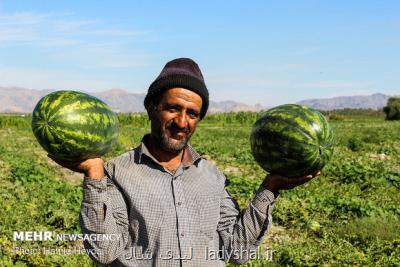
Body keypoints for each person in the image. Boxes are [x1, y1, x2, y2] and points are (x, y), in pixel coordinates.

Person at [56, 58, 319, 266]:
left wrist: (270, 189)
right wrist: (93, 175)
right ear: (151, 107)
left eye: (192, 114)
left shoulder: (212, 176)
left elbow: (237, 251)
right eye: (173, 109)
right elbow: (104, 252)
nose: (182, 122)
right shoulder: (116, 173)